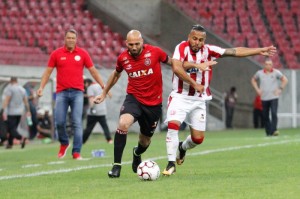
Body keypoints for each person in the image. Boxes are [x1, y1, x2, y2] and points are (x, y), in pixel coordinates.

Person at [94, 30, 211, 178]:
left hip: (153, 104)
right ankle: (116, 166)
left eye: (137, 44)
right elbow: (116, 74)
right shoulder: (123, 58)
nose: (134, 47)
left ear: (142, 42)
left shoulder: (155, 52)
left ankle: (137, 153)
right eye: (131, 44)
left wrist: (195, 66)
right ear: (126, 44)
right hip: (134, 99)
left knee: (145, 141)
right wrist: (104, 92)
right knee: (123, 124)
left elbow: (174, 64)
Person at [162, 24, 277, 176]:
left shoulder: (209, 50)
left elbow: (235, 51)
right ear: (189, 37)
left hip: (199, 100)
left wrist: (259, 50)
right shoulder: (181, 48)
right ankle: (170, 164)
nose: (197, 42)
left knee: (198, 139)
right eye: (194, 38)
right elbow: (177, 68)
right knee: (173, 125)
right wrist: (195, 81)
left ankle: (182, 148)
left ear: (204, 40)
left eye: (201, 40)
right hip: (180, 96)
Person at [37, 29, 106, 160]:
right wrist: (41, 87)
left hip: (77, 93)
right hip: (61, 93)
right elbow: (47, 72)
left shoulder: (83, 54)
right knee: (59, 122)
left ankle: (76, 152)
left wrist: (103, 86)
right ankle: (64, 143)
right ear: (65, 39)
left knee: (77, 122)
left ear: (76, 39)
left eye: (73, 38)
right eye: (68, 38)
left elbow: (93, 71)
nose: (71, 40)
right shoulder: (56, 54)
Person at [251, 58, 288, 136]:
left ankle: (274, 130)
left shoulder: (276, 72)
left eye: (270, 64)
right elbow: (253, 80)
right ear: (264, 65)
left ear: (272, 65)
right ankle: (268, 132)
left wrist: (280, 89)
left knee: (274, 113)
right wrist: (257, 89)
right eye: (267, 64)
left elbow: (285, 80)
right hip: (264, 98)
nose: (268, 66)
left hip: (274, 97)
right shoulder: (259, 73)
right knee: (265, 115)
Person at [1, 77, 31, 149]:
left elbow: (7, 100)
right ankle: (10, 144)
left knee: (11, 129)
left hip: (11, 112)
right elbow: (26, 102)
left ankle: (21, 138)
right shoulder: (22, 89)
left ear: (11, 81)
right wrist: (28, 111)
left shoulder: (10, 89)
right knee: (15, 128)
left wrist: (2, 109)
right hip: (20, 112)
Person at [82, 78, 113, 144]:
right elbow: (109, 94)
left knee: (89, 128)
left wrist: (91, 108)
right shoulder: (100, 85)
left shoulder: (90, 88)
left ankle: (82, 141)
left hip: (94, 112)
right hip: (102, 111)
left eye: (84, 83)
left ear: (87, 83)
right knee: (105, 127)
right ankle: (109, 140)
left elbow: (91, 99)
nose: (84, 85)